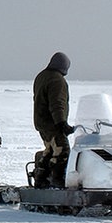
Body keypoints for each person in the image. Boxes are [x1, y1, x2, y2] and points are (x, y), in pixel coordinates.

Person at [32, 52, 75, 188]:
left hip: (41, 122)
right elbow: (57, 103)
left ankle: (41, 178)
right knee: (63, 151)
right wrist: (61, 122)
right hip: (52, 123)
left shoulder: (41, 76)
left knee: (50, 150)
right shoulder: (56, 80)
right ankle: (58, 180)